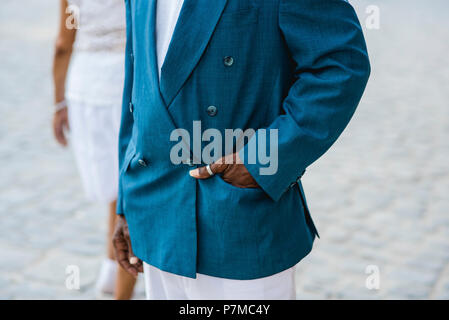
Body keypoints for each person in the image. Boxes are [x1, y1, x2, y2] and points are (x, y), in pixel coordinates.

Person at [113, 0, 370, 300]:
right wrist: (126, 201)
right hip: (154, 212)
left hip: (237, 221)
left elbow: (340, 65)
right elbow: (137, 85)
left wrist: (262, 159)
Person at [52, 0, 136, 299]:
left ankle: (111, 270)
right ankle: (120, 282)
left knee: (113, 188)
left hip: (85, 88)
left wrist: (58, 103)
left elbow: (64, 43)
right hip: (125, 83)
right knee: (129, 187)